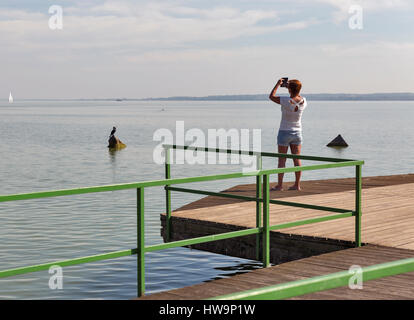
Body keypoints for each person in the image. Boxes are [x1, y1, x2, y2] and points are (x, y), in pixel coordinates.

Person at [268, 79, 307, 191]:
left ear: (289, 89)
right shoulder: (304, 101)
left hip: (284, 132)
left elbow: (271, 96)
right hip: (297, 133)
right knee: (297, 159)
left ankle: (280, 185)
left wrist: (278, 84)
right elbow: (297, 99)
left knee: (282, 160)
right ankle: (297, 185)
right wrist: (292, 88)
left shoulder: (285, 100)